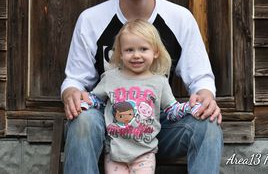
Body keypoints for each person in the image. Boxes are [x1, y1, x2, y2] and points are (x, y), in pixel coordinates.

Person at [61, 0, 223, 174]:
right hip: (109, 125)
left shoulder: (179, 18)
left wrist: (206, 97)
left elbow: (200, 78)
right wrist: (71, 93)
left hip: (156, 127)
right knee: (82, 120)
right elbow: (75, 79)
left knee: (208, 125)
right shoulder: (91, 19)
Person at [80, 19, 203, 173]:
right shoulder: (110, 78)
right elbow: (96, 100)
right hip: (114, 152)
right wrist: (84, 101)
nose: (136, 55)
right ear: (120, 53)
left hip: (145, 153)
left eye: (143, 49)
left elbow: (172, 110)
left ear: (156, 52)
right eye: (129, 50)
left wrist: (189, 108)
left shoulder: (160, 81)